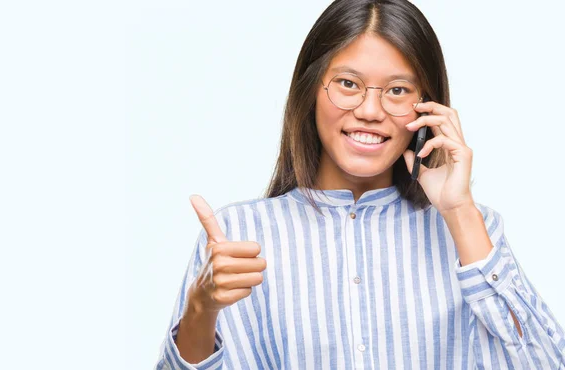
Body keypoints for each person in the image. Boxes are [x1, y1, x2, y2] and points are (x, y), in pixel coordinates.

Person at [156, 0, 565, 368]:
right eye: (348, 84)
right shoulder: (238, 235)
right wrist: (200, 310)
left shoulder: (474, 231)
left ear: (428, 107)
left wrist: (459, 213)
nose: (370, 110)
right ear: (310, 90)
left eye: (397, 90)